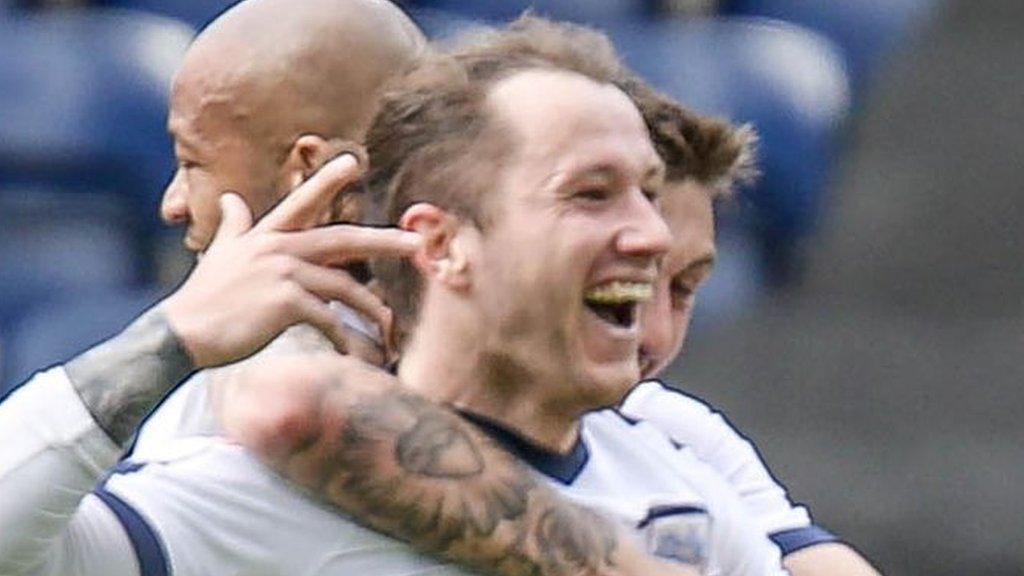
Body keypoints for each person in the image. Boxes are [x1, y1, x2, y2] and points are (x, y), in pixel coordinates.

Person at [90, 19, 792, 576]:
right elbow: (291, 402)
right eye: (591, 196)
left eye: (688, 287)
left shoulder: (672, 450)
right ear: (441, 244)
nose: (647, 243)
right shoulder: (229, 441)